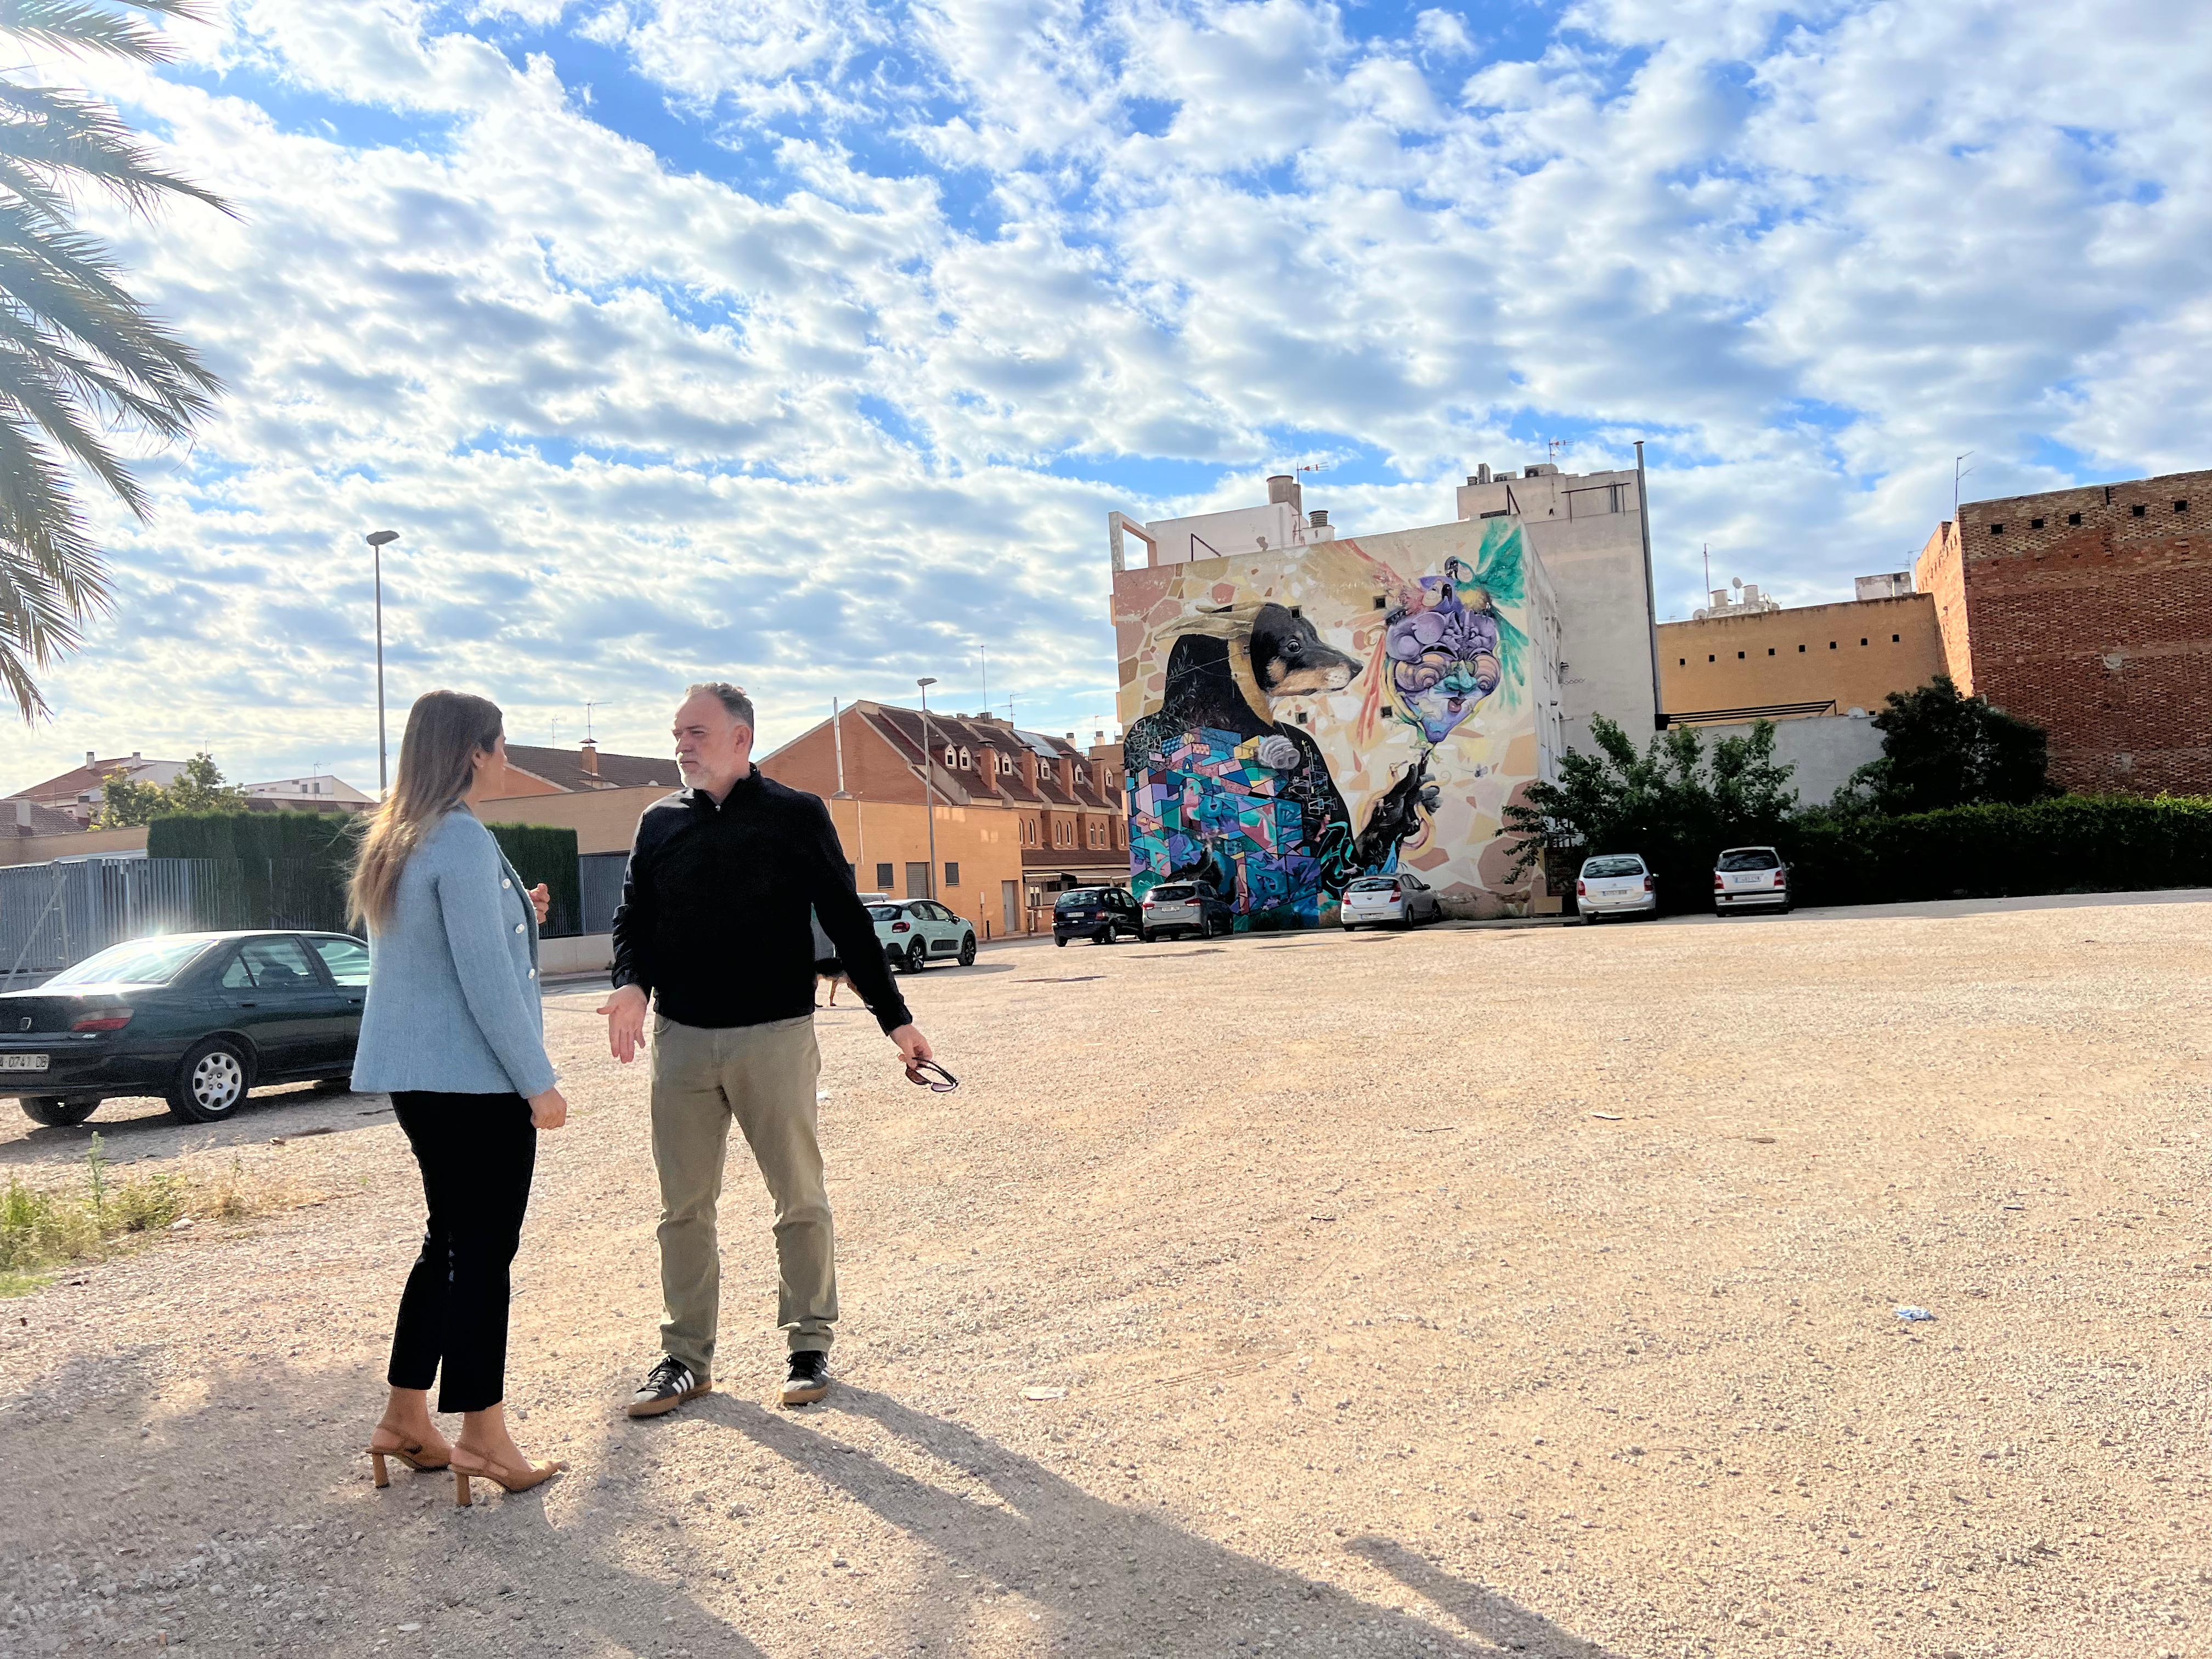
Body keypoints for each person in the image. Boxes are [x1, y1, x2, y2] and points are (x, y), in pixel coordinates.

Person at [599, 682, 932, 1415]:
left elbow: (847, 920)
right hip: (683, 1042)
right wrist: (631, 985)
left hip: (775, 1036)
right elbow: (634, 922)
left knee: (798, 1198)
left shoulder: (796, 815)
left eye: (696, 732)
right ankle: (686, 1359)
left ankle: (809, 1346)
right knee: (683, 1208)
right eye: (677, 733)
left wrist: (896, 1020)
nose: (681, 745)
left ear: (741, 739)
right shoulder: (658, 823)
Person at [351, 689, 571, 1506]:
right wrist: (537, 1082)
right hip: (476, 1084)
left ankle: (406, 1416)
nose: (507, 759)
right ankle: (484, 1434)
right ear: (475, 752)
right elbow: (484, 983)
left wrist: (518, 913)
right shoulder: (464, 839)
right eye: (502, 745)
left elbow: (442, 950)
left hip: (420, 1082)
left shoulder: (402, 836)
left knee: (446, 1243)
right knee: (483, 1255)